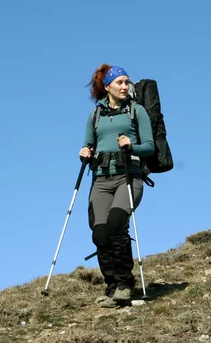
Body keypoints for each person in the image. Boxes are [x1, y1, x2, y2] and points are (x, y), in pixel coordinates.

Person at [79, 64, 154, 307]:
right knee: (100, 233)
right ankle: (111, 286)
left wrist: (131, 145)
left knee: (116, 225)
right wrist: (85, 152)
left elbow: (150, 147)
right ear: (107, 86)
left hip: (128, 176)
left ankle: (125, 285)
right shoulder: (95, 115)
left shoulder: (136, 111)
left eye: (126, 82)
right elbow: (88, 145)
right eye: (120, 82)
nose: (125, 86)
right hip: (101, 178)